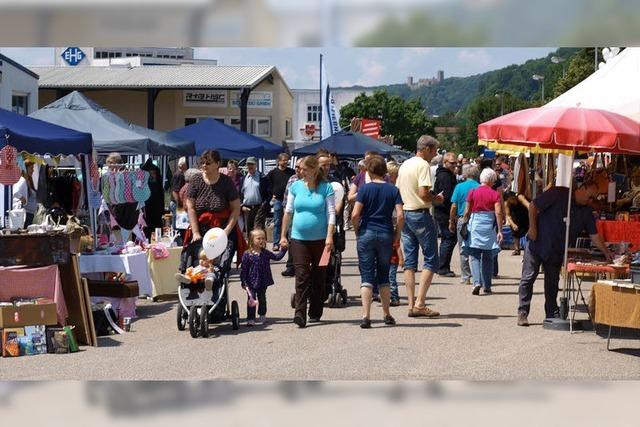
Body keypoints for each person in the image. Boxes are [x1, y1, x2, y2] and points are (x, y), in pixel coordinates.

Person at [517, 181, 612, 327]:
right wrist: (533, 228)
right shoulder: (558, 193)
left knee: (552, 283)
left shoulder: (586, 211)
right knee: (528, 278)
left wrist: (606, 251)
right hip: (538, 243)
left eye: (594, 198)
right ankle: (523, 312)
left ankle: (551, 313)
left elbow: (594, 235)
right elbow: (533, 205)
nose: (591, 201)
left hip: (557, 249)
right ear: (582, 188)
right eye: (590, 196)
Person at [280, 156, 336, 328]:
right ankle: (300, 313)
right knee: (302, 276)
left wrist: (329, 236)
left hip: (321, 241)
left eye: (304, 169)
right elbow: (288, 211)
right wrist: (283, 235)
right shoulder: (295, 186)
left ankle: (316, 310)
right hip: (299, 239)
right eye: (299, 169)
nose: (300, 172)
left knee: (320, 276)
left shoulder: (326, 188)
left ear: (313, 169)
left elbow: (331, 214)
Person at [351, 155, 403, 328]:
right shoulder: (393, 189)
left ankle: (366, 316)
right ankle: (386, 313)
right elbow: (400, 215)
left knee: (366, 275)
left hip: (367, 232)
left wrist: (358, 230)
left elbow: (355, 214)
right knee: (384, 275)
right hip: (385, 233)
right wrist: (397, 234)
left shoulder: (364, 189)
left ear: (369, 171)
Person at [396, 135, 443, 318]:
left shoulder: (405, 164)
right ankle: (420, 303)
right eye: (434, 150)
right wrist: (436, 198)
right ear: (427, 149)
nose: (435, 154)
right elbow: (424, 193)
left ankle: (410, 303)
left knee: (410, 261)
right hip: (420, 213)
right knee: (431, 259)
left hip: (406, 212)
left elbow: (398, 190)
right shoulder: (423, 165)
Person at [185, 149, 245, 269]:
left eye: (208, 163)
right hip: (201, 228)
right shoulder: (195, 180)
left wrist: (226, 231)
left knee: (221, 267)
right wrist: (196, 232)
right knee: (199, 264)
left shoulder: (226, 182)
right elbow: (190, 207)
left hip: (223, 228)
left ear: (217, 164)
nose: (204, 165)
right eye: (202, 162)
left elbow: (235, 208)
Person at [462, 168, 504, 296]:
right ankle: (487, 285)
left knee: (474, 255)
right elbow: (498, 212)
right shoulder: (494, 194)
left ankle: (476, 282)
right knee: (488, 256)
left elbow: (467, 210)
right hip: (488, 225)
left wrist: (464, 223)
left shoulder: (472, 192)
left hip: (475, 224)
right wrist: (500, 230)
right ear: (491, 180)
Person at [240, 228, 287, 326]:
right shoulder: (247, 254)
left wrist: (284, 249)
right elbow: (244, 269)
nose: (261, 240)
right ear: (252, 240)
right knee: (251, 299)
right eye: (258, 238)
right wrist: (243, 281)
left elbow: (277, 257)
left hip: (263, 281)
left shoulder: (265, 252)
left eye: (263, 238)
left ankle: (262, 314)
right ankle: (251, 318)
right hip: (251, 282)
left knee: (262, 299)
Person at [449, 164, 480, 286]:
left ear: (465, 175)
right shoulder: (479, 188)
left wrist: (451, 221)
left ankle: (465, 276)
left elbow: (454, 206)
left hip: (463, 219)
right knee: (477, 247)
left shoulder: (459, 187)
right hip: (477, 219)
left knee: (463, 248)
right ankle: (478, 276)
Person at [433, 152, 458, 277]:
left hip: (442, 211)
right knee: (449, 238)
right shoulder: (445, 176)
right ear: (445, 162)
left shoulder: (447, 175)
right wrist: (452, 216)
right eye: (452, 163)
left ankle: (443, 266)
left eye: (456, 163)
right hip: (444, 212)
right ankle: (443, 267)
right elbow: (447, 197)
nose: (455, 165)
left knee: (447, 239)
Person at [266, 153, 295, 250]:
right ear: (279, 161)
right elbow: (268, 185)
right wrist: (272, 194)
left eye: (287, 160)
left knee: (290, 221)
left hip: (290, 200)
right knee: (277, 221)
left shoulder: (291, 172)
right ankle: (276, 243)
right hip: (278, 200)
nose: (286, 162)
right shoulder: (273, 173)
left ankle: (291, 241)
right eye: (284, 160)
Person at [281, 158, 303, 278]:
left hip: (302, 215)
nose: (297, 170)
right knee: (291, 239)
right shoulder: (292, 179)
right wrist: (285, 212)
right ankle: (290, 266)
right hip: (291, 213)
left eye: (300, 167)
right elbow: (286, 197)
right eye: (296, 167)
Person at [240, 157, 270, 238]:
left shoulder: (262, 177)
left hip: (259, 208)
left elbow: (268, 193)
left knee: (259, 230)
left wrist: (264, 205)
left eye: (252, 164)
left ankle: (261, 249)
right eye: (248, 164)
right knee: (249, 232)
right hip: (247, 209)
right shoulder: (243, 178)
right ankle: (250, 249)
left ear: (256, 165)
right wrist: (242, 206)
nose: (250, 166)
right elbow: (240, 194)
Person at [387, 160, 403, 306]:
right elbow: (399, 214)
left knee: (389, 274)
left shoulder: (393, 188)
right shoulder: (393, 189)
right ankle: (391, 296)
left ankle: (393, 296)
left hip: (387, 223)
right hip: (390, 222)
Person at [504, 191, 530, 255]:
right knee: (515, 232)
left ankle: (529, 250)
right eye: (511, 200)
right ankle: (517, 250)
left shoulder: (520, 197)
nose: (513, 200)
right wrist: (512, 224)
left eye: (514, 198)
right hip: (515, 216)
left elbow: (529, 206)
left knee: (528, 233)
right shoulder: (506, 203)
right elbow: (508, 215)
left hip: (526, 214)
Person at [13, 161, 37, 228]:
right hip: (26, 214)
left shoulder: (29, 181)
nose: (33, 170)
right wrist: (23, 199)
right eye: (31, 168)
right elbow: (15, 192)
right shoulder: (22, 180)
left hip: (30, 214)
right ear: (25, 169)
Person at [170, 157, 188, 229]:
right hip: (176, 202)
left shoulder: (178, 174)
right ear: (183, 165)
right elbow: (175, 191)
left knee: (178, 224)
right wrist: (179, 204)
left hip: (175, 202)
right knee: (178, 225)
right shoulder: (180, 175)